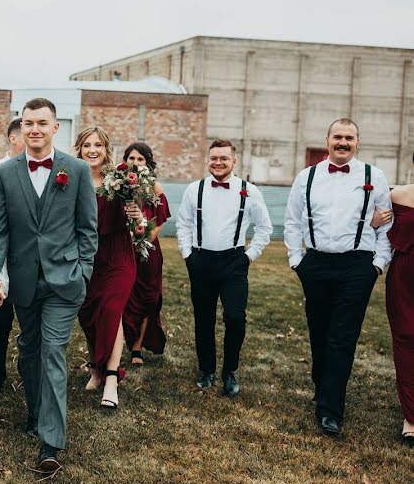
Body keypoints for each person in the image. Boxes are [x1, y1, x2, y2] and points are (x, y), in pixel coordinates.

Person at [0, 98, 98, 474]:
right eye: (28, 123)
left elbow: (87, 230)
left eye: (42, 123)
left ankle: (50, 442)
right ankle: (35, 413)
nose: (35, 129)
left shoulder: (77, 170)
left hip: (65, 282)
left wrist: (82, 271)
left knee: (52, 351)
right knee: (29, 350)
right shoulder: (5, 172)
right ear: (21, 128)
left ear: (55, 128)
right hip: (24, 281)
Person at [284, 119, 392, 436]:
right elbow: (292, 222)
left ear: (357, 141)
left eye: (349, 137)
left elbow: (386, 225)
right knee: (319, 331)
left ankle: (330, 410)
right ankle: (323, 388)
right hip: (315, 263)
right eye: (337, 137)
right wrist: (296, 260)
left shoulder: (375, 176)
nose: (343, 142)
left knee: (342, 337)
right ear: (327, 140)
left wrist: (378, 264)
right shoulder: (307, 176)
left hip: (357, 267)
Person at [175, 139, 272, 397]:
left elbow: (265, 228)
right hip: (201, 261)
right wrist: (188, 255)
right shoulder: (194, 190)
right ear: (208, 159)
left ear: (234, 161)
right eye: (214, 158)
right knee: (203, 319)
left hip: (234, 263)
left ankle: (230, 370)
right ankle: (206, 370)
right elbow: (183, 224)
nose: (218, 162)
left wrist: (249, 256)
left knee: (235, 317)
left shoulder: (249, 191)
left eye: (224, 158)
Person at [75, 128, 140, 409]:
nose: (92, 150)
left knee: (112, 312)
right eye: (87, 145)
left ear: (106, 148)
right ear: (79, 149)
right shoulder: (70, 180)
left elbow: (137, 208)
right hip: (86, 257)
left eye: (98, 145)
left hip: (117, 255)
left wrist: (136, 211)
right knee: (89, 314)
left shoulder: (120, 179)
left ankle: (111, 379)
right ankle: (95, 369)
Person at [121, 143, 171, 365]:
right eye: (131, 158)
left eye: (140, 159)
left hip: (148, 253)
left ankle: (137, 347)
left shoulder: (156, 191)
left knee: (148, 299)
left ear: (148, 164)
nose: (135, 163)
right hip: (121, 251)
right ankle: (119, 340)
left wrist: (140, 232)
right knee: (123, 298)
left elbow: (155, 229)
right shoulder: (118, 188)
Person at [0, 117, 24, 399]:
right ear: (13, 138)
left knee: (31, 321)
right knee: (0, 322)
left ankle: (29, 373)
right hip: (2, 257)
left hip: (30, 259)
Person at [384, 155, 414, 444]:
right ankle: (411, 416)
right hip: (404, 276)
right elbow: (380, 230)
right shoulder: (397, 195)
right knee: (405, 340)